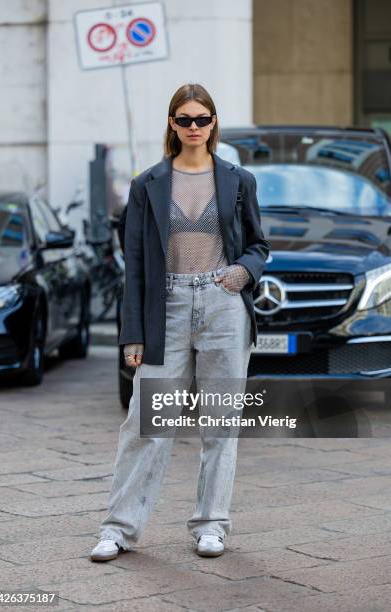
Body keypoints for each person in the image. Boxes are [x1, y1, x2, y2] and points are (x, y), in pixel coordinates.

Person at [90, 83, 270, 562]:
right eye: (185, 119)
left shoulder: (238, 180)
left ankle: (211, 524)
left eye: (202, 119)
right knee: (146, 424)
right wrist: (132, 333)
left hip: (223, 304)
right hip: (165, 306)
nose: (194, 127)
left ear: (214, 124)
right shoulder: (148, 183)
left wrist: (243, 271)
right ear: (172, 123)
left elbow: (259, 245)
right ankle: (119, 529)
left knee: (220, 424)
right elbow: (134, 261)